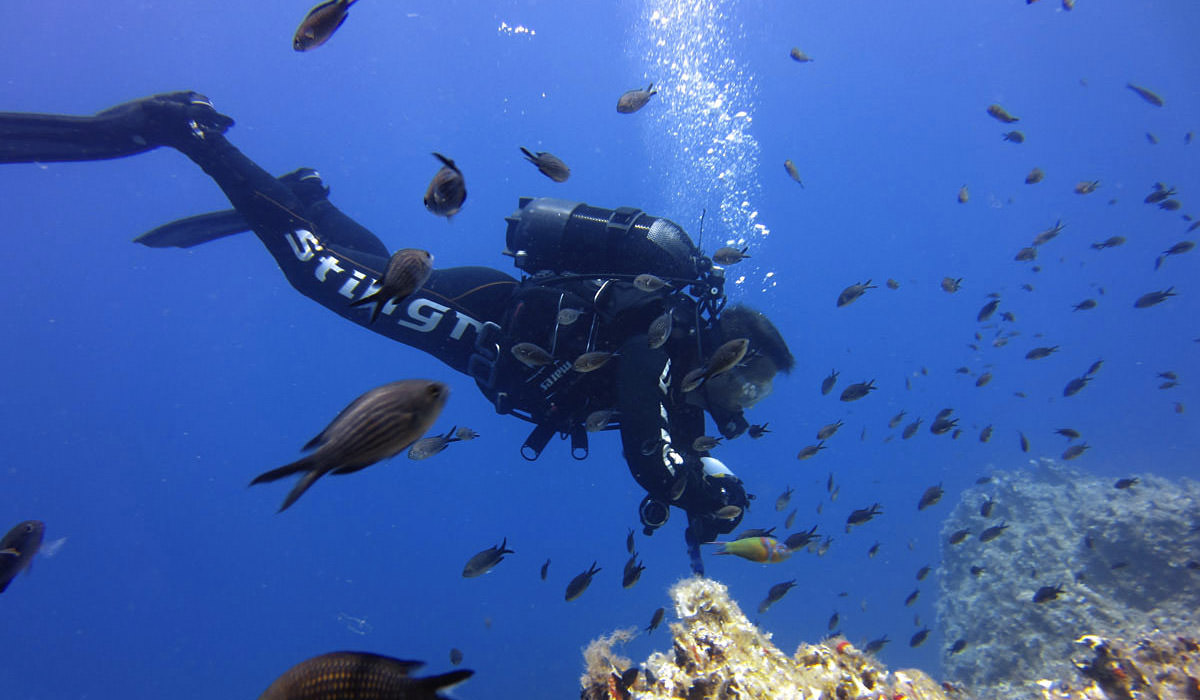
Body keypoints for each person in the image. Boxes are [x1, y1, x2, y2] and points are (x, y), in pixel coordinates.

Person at [0, 92, 794, 574]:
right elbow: (652, 460)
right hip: (489, 323)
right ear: (731, 344)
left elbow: (676, 449)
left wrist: (709, 494)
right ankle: (190, 131)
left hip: (489, 329)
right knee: (321, 279)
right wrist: (693, 489)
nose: (747, 394)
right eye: (753, 377)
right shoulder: (662, 338)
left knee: (372, 270)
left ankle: (305, 199)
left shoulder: (679, 376)